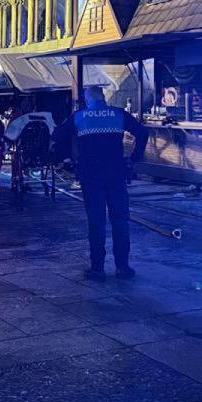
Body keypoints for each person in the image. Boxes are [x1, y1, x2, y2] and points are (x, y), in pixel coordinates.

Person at [53, 86, 147, 281]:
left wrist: (70, 158)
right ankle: (123, 268)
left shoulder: (80, 117)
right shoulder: (118, 114)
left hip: (91, 177)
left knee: (96, 222)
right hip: (116, 175)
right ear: (103, 97)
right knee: (120, 221)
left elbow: (57, 136)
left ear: (87, 100)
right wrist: (134, 158)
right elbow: (142, 132)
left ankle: (97, 269)